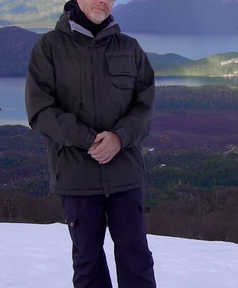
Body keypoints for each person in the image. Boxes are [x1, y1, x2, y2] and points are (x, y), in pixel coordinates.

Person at [24, 0, 156, 287]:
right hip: (76, 176)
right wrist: (90, 141)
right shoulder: (49, 47)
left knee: (137, 259)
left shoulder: (129, 47)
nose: (103, 1)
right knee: (88, 262)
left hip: (125, 175)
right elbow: (40, 111)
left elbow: (144, 106)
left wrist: (119, 138)